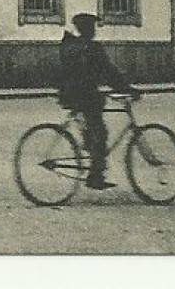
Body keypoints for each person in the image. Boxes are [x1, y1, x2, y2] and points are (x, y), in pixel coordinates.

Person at [58, 11, 136, 190]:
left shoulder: (71, 46)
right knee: (100, 133)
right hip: (86, 96)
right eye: (92, 27)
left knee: (91, 130)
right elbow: (109, 72)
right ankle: (95, 176)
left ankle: (91, 154)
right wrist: (127, 89)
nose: (94, 30)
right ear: (87, 29)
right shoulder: (92, 48)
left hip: (70, 95)